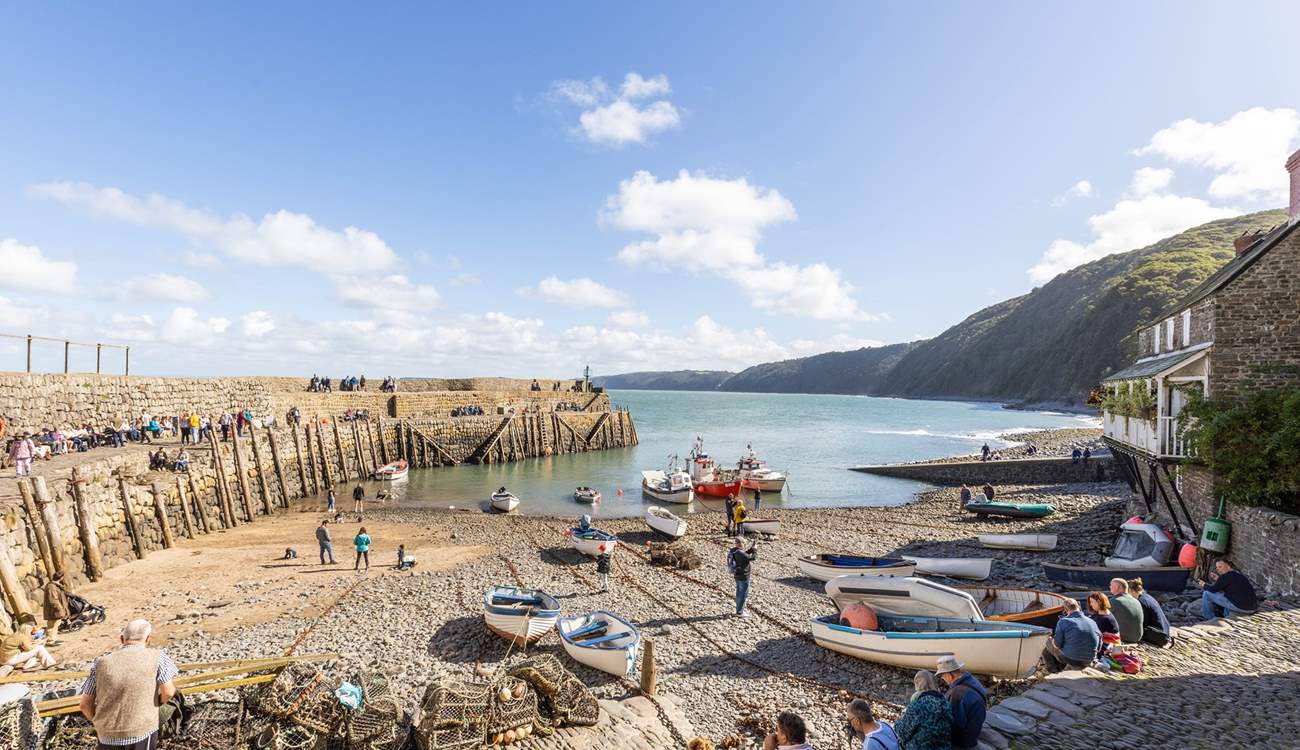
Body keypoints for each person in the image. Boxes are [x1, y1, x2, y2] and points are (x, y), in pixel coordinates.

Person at [78, 619, 178, 750]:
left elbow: (84, 704)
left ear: (121, 639)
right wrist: (155, 705)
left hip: (106, 735)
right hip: (141, 731)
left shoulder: (100, 663)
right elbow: (169, 692)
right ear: (148, 639)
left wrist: (98, 723)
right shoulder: (157, 657)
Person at [936, 655, 986, 750]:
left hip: (963, 742)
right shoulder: (973, 681)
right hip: (975, 732)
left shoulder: (957, 693)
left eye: (942, 675)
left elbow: (955, 724)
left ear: (950, 674)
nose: (942, 678)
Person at [893, 671, 951, 750]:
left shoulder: (918, 705)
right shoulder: (945, 703)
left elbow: (903, 731)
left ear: (918, 685)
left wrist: (897, 723)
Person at [1042, 598, 1100, 672]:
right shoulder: (1092, 621)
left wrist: (1052, 640)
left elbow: (1057, 645)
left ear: (1065, 610)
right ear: (1078, 607)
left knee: (1046, 642)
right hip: (1089, 659)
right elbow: (1099, 645)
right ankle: (1062, 667)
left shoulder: (1064, 621)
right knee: (1069, 646)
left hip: (1072, 659)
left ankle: (1052, 670)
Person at [1129, 577, 1172, 647]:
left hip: (1158, 635)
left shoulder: (1141, 602)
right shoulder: (1146, 596)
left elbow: (1142, 623)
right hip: (1163, 631)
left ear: (1132, 591)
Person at [728, 536, 757, 618]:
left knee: (739, 593)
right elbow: (753, 558)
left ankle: (739, 609)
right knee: (743, 594)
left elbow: (745, 555)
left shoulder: (735, 550)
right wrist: (755, 550)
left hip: (737, 575)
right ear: (742, 543)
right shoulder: (740, 553)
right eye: (744, 543)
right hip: (743, 576)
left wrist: (751, 549)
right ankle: (740, 612)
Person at [1108, 578, 1144, 643]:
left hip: (1123, 637)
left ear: (1116, 587)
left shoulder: (1115, 601)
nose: (1109, 587)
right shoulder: (1136, 601)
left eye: (1111, 585)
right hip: (1137, 637)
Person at [1086, 592, 1119, 658]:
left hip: (1101, 650)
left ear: (1099, 602)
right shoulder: (1100, 613)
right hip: (1098, 645)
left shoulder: (1105, 619)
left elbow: (1092, 635)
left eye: (1092, 602)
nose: (1091, 604)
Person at [43, 571, 71, 646]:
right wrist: (60, 609)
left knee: (56, 624)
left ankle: (53, 638)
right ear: (61, 578)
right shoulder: (51, 587)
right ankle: (50, 641)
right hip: (53, 611)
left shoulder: (54, 585)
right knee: (51, 626)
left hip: (55, 610)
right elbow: (53, 600)